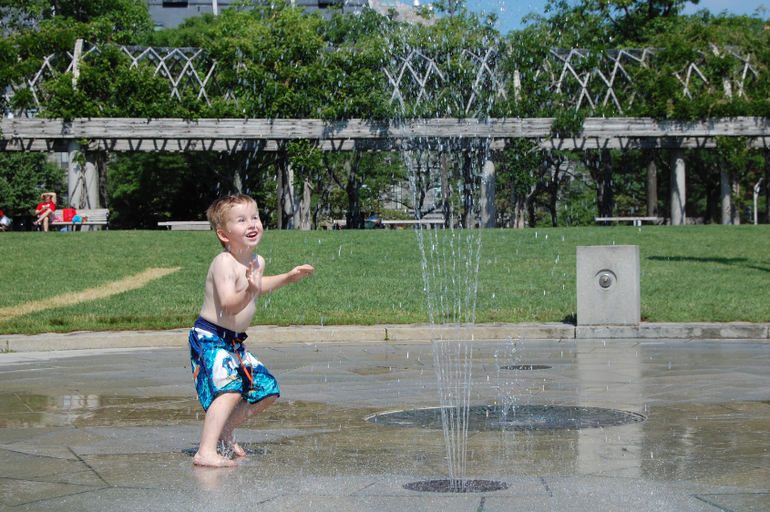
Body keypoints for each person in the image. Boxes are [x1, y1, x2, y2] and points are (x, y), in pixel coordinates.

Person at [188, 194, 314, 467]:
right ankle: (205, 451)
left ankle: (225, 428)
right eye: (241, 220)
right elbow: (229, 304)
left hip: (233, 342)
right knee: (230, 390)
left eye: (255, 217)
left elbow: (259, 285)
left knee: (266, 389)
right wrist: (250, 290)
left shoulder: (257, 261)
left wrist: (288, 277)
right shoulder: (223, 262)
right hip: (210, 338)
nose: (252, 224)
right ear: (224, 234)